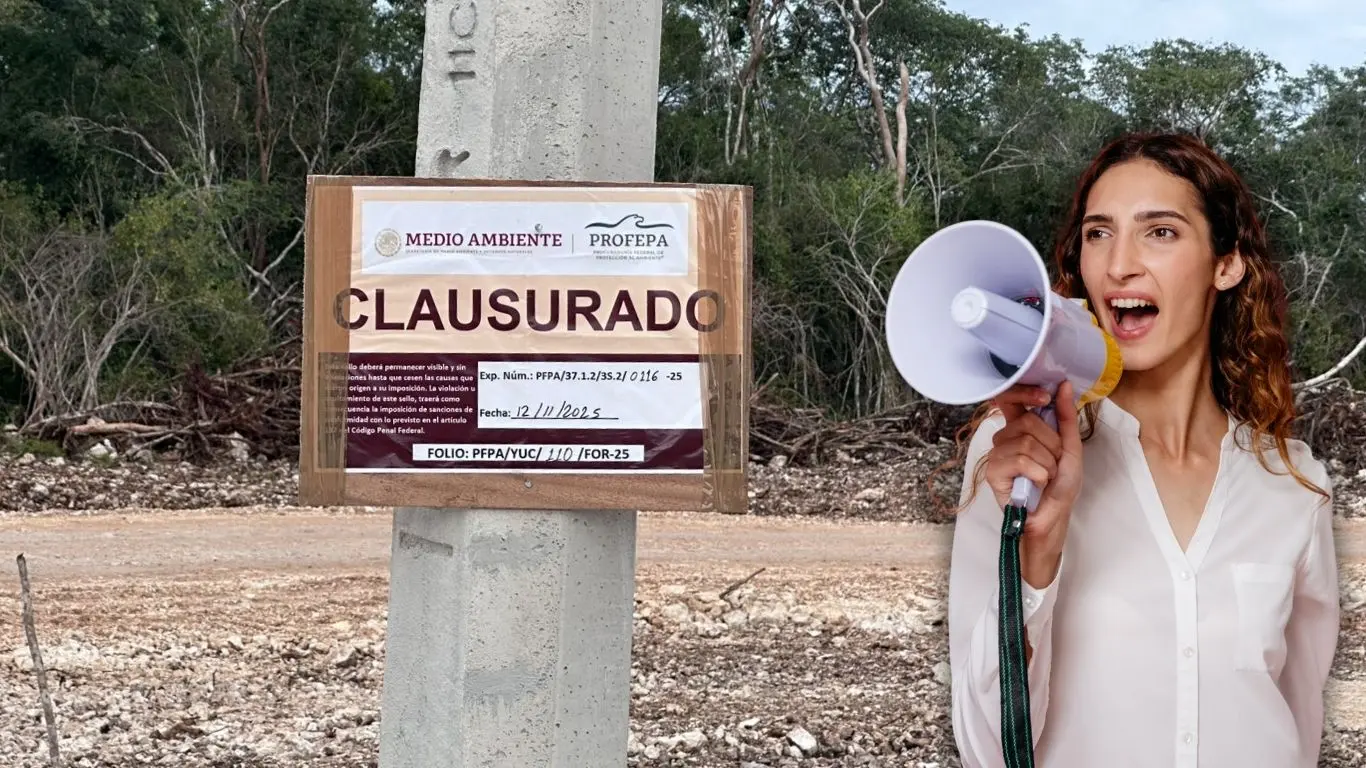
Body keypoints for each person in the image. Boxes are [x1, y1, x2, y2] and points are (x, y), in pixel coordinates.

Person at [946, 132, 1339, 768]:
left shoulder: (1292, 484)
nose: (1119, 263)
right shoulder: (1019, 457)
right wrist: (1036, 550)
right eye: (1099, 233)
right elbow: (987, 748)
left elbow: (1299, 725)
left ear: (1226, 264)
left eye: (1159, 231)